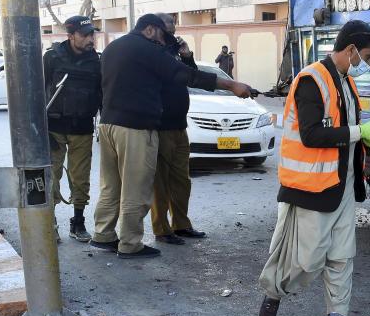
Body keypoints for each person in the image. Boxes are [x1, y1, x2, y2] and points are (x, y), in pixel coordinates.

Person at [257, 20, 370, 316]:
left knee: (342, 255)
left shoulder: (346, 80)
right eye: (368, 56)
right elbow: (311, 134)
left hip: (343, 185)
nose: (368, 64)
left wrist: (367, 136)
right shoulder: (311, 80)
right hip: (312, 187)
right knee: (308, 261)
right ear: (350, 50)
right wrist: (361, 132)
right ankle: (275, 291)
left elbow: (341, 129)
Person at [91, 14, 251, 259]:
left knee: (111, 186)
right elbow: (187, 76)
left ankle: (103, 236)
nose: (166, 40)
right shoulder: (148, 49)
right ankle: (130, 244)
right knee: (136, 188)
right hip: (135, 127)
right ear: (151, 30)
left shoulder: (113, 48)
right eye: (163, 35)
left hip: (109, 124)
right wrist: (231, 85)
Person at [150, 13, 208, 245]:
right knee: (161, 182)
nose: (172, 35)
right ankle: (162, 229)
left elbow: (191, 76)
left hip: (179, 125)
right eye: (168, 31)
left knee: (181, 180)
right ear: (156, 30)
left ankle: (181, 224)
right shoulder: (152, 52)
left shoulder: (174, 51)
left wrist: (187, 56)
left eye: (174, 30)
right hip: (161, 126)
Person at [43, 15, 101, 243]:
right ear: (70, 36)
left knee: (81, 178)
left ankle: (78, 222)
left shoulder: (97, 61)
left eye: (92, 34)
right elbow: (37, 91)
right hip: (54, 128)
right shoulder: (52, 58)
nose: (90, 39)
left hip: (82, 128)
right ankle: (50, 222)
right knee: (51, 177)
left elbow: (102, 94)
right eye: (85, 35)